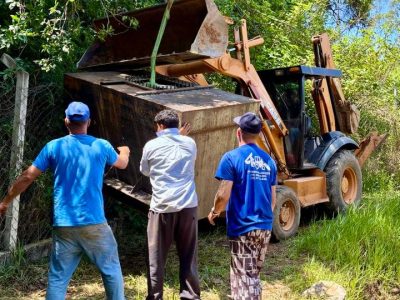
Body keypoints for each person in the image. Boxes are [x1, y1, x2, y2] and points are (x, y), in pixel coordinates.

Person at [0, 101, 130, 300]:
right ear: (89, 121)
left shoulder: (53, 146)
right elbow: (121, 164)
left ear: (66, 121)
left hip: (64, 224)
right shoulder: (101, 145)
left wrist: (5, 202)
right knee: (111, 270)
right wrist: (125, 151)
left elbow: (27, 176)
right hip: (94, 223)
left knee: (58, 277)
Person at [208, 112, 277, 300]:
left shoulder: (231, 158)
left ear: (239, 133)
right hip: (264, 227)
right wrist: (263, 219)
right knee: (253, 274)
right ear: (258, 135)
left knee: (243, 276)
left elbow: (223, 194)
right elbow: (273, 199)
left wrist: (215, 211)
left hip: (243, 227)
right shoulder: (269, 161)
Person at [140, 109, 200, 300]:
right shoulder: (190, 143)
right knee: (189, 255)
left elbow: (145, 171)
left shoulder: (151, 145)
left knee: (156, 258)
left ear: (160, 126)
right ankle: (190, 296)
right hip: (188, 206)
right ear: (177, 125)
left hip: (162, 208)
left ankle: (155, 296)